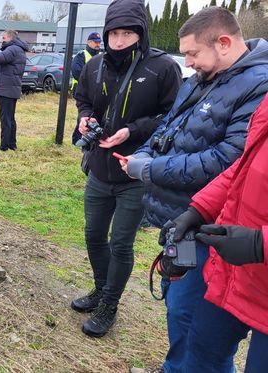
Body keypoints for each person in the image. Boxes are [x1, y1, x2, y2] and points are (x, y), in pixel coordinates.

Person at [121, 7, 268, 372]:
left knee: (190, 314)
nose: (187, 63)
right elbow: (171, 127)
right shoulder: (202, 78)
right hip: (192, 219)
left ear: (223, 43)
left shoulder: (258, 85)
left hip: (220, 236)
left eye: (191, 54)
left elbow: (224, 159)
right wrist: (144, 152)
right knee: (182, 313)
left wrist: (153, 169)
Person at [71, 0, 182, 338]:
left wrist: (132, 131)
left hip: (136, 171)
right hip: (99, 167)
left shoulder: (162, 67)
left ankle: (110, 305)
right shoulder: (96, 65)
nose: (119, 41)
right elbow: (84, 98)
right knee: (93, 235)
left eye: (127, 33)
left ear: (141, 33)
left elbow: (173, 116)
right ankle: (101, 289)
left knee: (120, 242)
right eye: (114, 34)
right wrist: (84, 116)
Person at [167, 93, 268, 373]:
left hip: (253, 254)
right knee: (201, 354)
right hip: (237, 271)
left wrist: (261, 243)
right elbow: (245, 167)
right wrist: (198, 209)